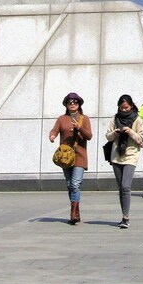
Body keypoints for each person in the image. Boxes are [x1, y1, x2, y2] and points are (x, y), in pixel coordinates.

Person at [48, 92, 92, 225]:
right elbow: (55, 130)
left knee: (75, 184)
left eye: (75, 102)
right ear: (66, 105)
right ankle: (76, 212)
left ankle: (73, 213)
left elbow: (89, 136)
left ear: (79, 105)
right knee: (69, 185)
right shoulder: (62, 119)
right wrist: (52, 136)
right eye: (70, 103)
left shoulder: (84, 119)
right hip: (66, 157)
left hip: (79, 155)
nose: (73, 104)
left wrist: (80, 128)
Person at [105, 94, 143, 229]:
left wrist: (130, 132)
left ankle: (126, 217)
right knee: (121, 187)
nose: (124, 110)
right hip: (116, 155)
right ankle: (123, 215)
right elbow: (108, 136)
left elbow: (140, 139)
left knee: (126, 186)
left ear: (131, 106)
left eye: (126, 107)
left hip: (130, 155)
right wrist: (114, 133)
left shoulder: (137, 119)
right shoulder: (115, 118)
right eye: (122, 108)